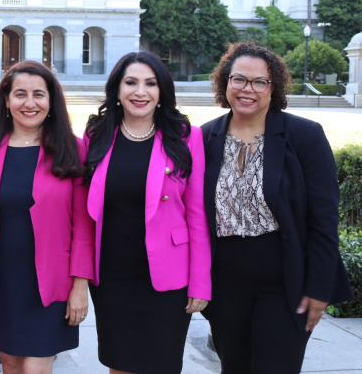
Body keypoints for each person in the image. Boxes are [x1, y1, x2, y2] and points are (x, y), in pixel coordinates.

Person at [201, 42, 353, 373]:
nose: (247, 89)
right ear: (225, 81)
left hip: (285, 281)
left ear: (275, 88)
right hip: (224, 283)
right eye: (239, 79)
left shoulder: (304, 136)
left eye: (260, 82)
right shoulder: (204, 139)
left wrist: (318, 288)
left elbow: (325, 219)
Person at [0, 60, 94, 374]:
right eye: (20, 94)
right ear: (5, 99)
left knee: (35, 367)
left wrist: (80, 286)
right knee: (11, 363)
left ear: (52, 101)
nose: (29, 103)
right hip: (1, 280)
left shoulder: (73, 150)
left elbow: (84, 227)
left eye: (39, 94)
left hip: (51, 283)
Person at [83, 51, 210, 374]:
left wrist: (200, 283)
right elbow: (84, 210)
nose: (140, 92)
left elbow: (196, 214)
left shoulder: (185, 136)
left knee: (161, 365)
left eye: (150, 84)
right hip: (112, 276)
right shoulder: (96, 135)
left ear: (162, 91)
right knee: (120, 364)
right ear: (117, 89)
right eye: (131, 82)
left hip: (167, 276)